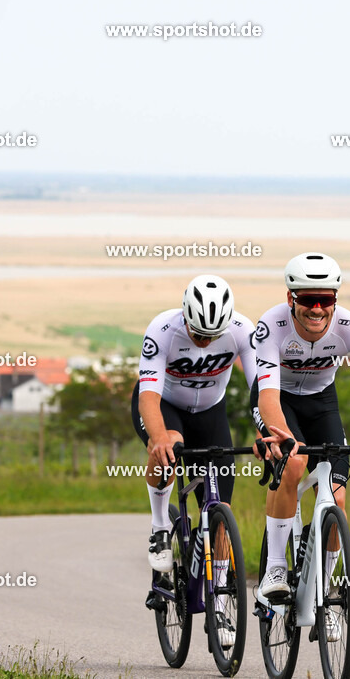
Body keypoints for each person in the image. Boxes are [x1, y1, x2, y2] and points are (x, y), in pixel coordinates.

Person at [251, 253, 350, 641]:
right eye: (307, 299)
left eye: (326, 300)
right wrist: (284, 437)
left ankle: (325, 592)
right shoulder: (271, 326)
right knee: (293, 464)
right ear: (291, 298)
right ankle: (275, 568)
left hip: (321, 402)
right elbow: (267, 397)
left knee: (337, 496)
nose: (317, 308)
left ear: (335, 299)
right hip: (277, 399)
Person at [133, 274, 255, 648]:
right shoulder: (163, 330)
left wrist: (268, 431)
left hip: (210, 414)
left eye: (212, 336)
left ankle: (220, 602)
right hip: (165, 407)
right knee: (167, 449)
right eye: (199, 333)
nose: (204, 341)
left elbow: (261, 389)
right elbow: (149, 396)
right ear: (185, 315)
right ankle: (159, 528)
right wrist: (159, 437)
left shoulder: (242, 331)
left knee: (220, 511)